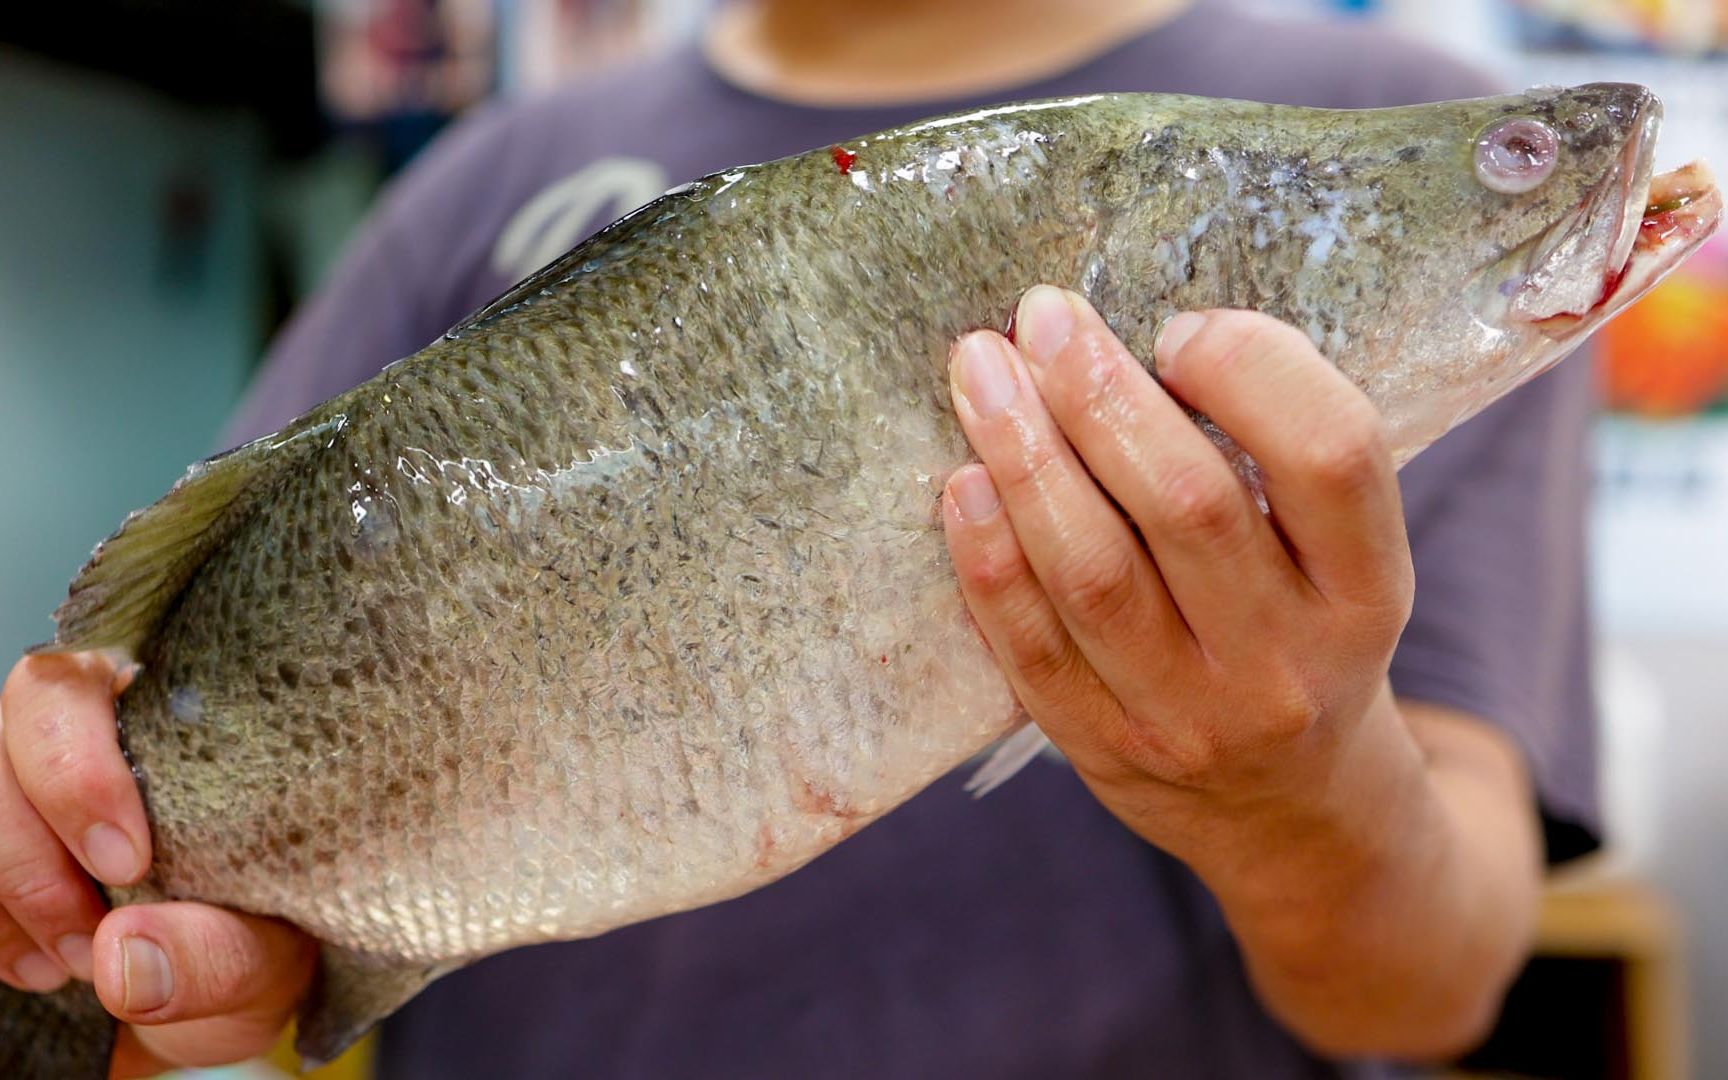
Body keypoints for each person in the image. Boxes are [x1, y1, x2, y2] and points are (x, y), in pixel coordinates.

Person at [0, 0, 1601, 1076]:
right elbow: (138, 676)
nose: (1535, 178)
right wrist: (80, 850)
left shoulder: (1371, 110)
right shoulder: (487, 183)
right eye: (1514, 170)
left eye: (1517, 173)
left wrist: (1293, 799)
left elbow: (1438, 976)